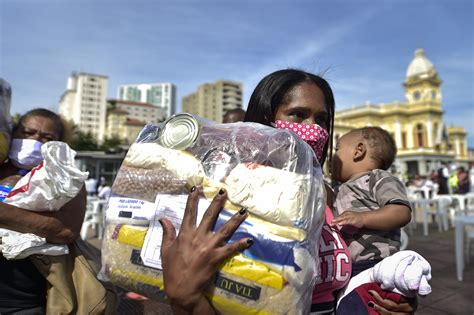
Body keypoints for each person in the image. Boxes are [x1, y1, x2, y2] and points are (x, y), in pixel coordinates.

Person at [159, 69, 417, 314]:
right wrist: (186, 297)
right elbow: (205, 296)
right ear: (265, 119)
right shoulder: (231, 190)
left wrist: (388, 299)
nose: (314, 130)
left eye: (322, 119)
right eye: (297, 114)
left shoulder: (327, 194)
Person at [0, 108, 87, 314]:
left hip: (22, 298)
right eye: (28, 133)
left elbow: (65, 231)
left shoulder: (66, 180)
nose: (35, 140)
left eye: (47, 137)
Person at [330, 127, 412, 276]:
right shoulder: (340, 187)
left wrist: (363, 218)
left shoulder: (377, 178)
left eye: (337, 149)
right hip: (348, 265)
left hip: (375, 263)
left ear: (358, 151)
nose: (332, 157)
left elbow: (401, 212)